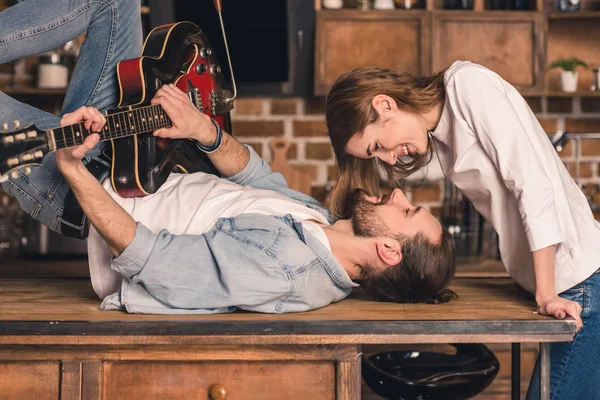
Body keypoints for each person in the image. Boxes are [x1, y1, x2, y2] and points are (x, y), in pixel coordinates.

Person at [0, 0, 457, 313]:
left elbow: (149, 258)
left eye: (409, 210)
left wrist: (72, 167)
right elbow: (256, 175)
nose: (398, 193)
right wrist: (203, 129)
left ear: (388, 251)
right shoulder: (318, 220)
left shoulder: (285, 272)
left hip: (84, 188)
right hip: (127, 149)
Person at [325, 61, 600, 399]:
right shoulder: (440, 133)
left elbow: (534, 185)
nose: (390, 159)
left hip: (579, 280)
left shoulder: (467, 86)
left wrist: (545, 292)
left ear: (385, 105)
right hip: (561, 283)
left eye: (378, 146)